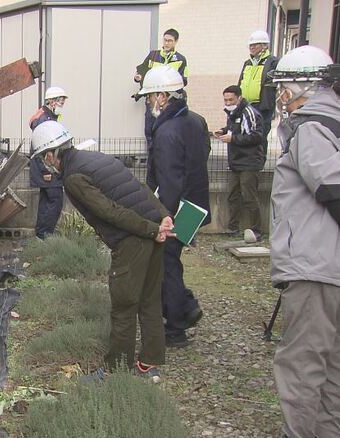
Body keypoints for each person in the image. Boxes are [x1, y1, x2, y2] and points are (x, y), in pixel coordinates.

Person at [30, 120, 175, 378]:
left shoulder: (73, 178)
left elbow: (111, 212)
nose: (44, 163)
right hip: (151, 231)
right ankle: (150, 362)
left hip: (133, 240)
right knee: (150, 300)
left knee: (124, 306)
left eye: (43, 157)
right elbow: (140, 187)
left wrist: (152, 230)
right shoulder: (96, 158)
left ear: (51, 155)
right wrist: (162, 216)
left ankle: (115, 372)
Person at [268, 45, 340, 438]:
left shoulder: (311, 128)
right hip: (330, 266)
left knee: (302, 365)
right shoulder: (334, 123)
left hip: (315, 267)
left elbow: (331, 186)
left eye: (284, 87)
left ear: (305, 86)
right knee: (332, 370)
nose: (282, 97)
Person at [139, 66, 210, 348]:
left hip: (177, 208)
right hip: (195, 205)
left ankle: (178, 323)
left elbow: (169, 180)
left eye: (150, 96)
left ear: (163, 96)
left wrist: (162, 216)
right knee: (171, 261)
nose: (148, 102)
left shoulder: (167, 132)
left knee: (166, 264)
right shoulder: (195, 121)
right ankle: (185, 307)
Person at [214, 85, 265, 241]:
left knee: (249, 196)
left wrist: (233, 139)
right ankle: (233, 227)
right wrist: (224, 131)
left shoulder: (250, 113)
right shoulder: (233, 113)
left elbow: (257, 136)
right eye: (225, 100)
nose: (228, 103)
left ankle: (257, 230)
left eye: (231, 100)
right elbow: (236, 129)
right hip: (236, 161)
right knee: (232, 195)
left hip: (249, 162)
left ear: (239, 98)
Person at [134, 29, 189, 147]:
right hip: (153, 98)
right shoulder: (153, 55)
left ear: (176, 42)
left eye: (170, 41)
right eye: (165, 40)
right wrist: (138, 77)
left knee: (168, 127)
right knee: (150, 128)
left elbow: (183, 80)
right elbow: (142, 70)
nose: (167, 43)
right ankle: (152, 151)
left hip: (169, 100)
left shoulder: (181, 59)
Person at [28, 86, 68, 239]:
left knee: (46, 201)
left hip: (46, 167)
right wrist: (45, 170)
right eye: (60, 100)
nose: (62, 103)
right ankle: (46, 235)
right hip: (47, 168)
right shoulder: (44, 119)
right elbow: (41, 147)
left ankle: (41, 235)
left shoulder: (46, 116)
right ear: (51, 101)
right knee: (55, 201)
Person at [238, 30, 279, 156]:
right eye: (250, 45)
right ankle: (246, 159)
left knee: (260, 136)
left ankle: (259, 161)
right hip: (246, 105)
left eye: (255, 44)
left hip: (262, 106)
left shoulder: (273, 62)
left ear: (264, 45)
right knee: (245, 133)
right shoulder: (247, 63)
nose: (251, 47)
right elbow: (240, 82)